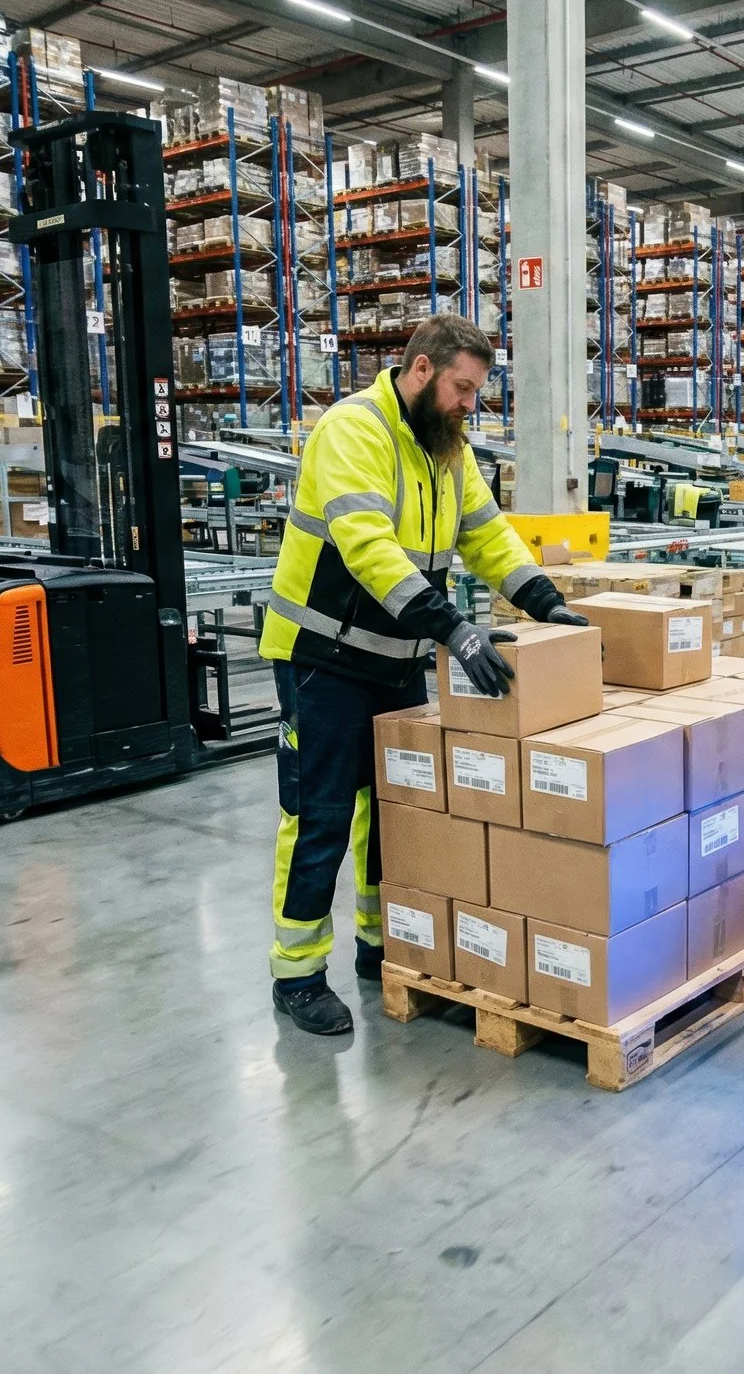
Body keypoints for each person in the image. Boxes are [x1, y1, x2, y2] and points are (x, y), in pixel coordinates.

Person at [259, 313, 586, 1034]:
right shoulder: (353, 432)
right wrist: (454, 630)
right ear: (420, 371)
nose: (471, 404)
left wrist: (545, 603)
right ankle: (298, 972)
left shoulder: (447, 447)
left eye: (476, 392)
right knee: (320, 816)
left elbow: (486, 532)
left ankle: (383, 946)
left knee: (395, 811)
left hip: (395, 660)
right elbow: (370, 548)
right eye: (462, 388)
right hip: (325, 659)